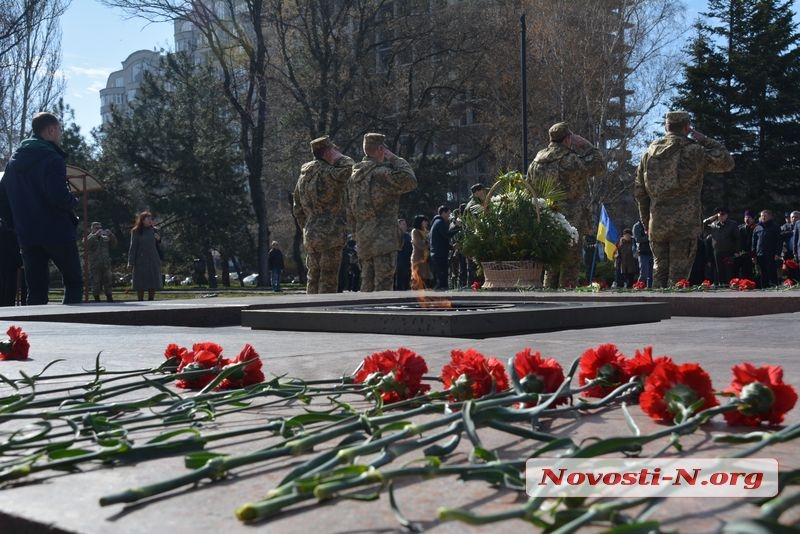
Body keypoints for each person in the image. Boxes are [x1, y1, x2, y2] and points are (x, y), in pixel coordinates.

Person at [634, 111, 734, 288]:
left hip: (657, 222)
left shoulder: (648, 153)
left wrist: (645, 222)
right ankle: (674, 312)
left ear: (666, 127)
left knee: (659, 271)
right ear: (687, 127)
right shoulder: (693, 150)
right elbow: (727, 161)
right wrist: (704, 139)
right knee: (678, 277)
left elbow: (640, 192)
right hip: (684, 223)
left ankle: (656, 309)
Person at [0, 112, 82, 304]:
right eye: (59, 130)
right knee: (73, 282)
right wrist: (73, 201)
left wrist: (15, 224)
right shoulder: (52, 158)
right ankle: (74, 330)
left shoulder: (13, 163)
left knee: (35, 289)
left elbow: (2, 200)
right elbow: (57, 195)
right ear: (51, 130)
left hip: (27, 234)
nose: (60, 135)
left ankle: (34, 333)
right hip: (57, 231)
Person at [528, 122, 605, 288]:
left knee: (551, 266)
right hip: (571, 220)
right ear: (568, 138)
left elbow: (529, 191)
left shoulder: (535, 162)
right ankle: (567, 303)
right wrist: (587, 145)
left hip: (546, 219)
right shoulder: (570, 160)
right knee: (570, 265)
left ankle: (547, 300)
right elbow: (599, 165)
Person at [346, 133, 417, 292]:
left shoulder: (354, 176)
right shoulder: (381, 173)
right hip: (383, 240)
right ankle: (381, 317)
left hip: (364, 239)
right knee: (383, 286)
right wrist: (394, 158)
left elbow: (349, 209)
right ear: (380, 149)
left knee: (367, 284)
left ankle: (364, 316)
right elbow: (410, 180)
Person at [293, 135, 354, 294]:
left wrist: (307, 227)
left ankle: (309, 313)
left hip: (312, 235)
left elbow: (297, 208)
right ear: (327, 152)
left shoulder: (303, 177)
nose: (336, 151)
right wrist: (340, 157)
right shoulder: (329, 173)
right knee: (328, 278)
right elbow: (351, 170)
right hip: (330, 235)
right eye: (333, 149)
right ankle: (324, 314)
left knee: (312, 277)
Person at [128, 211, 162, 301]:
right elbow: (133, 247)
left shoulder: (155, 230)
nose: (150, 220)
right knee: (140, 282)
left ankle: (151, 299)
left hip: (153, 259)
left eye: (151, 219)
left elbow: (158, 244)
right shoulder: (136, 231)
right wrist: (130, 262)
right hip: (140, 260)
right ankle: (140, 299)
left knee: (153, 281)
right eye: (148, 219)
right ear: (142, 220)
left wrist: (158, 239)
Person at [702, 207, 739, 286]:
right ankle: (721, 284)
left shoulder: (732, 224)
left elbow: (737, 239)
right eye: (719, 214)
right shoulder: (713, 224)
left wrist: (736, 251)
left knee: (729, 269)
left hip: (729, 250)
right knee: (719, 269)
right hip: (717, 251)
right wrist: (714, 217)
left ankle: (731, 284)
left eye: (723, 214)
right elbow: (703, 223)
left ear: (727, 215)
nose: (721, 216)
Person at [87, 221, 117, 302]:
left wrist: (111, 235)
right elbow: (86, 245)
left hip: (105, 263)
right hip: (95, 264)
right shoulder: (89, 237)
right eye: (97, 228)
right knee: (95, 282)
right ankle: (96, 298)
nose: (99, 230)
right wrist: (96, 235)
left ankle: (109, 297)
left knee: (108, 281)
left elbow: (114, 245)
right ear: (92, 229)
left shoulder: (105, 238)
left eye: (100, 228)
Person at [430, 205, 457, 290]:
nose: (449, 217)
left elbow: (441, 240)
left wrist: (451, 247)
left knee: (440, 277)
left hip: (437, 254)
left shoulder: (436, 222)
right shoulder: (440, 222)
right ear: (443, 213)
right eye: (448, 214)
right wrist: (458, 227)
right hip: (440, 255)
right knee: (442, 278)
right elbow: (446, 235)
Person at [752, 209, 781, 288]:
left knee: (772, 271)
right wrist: (753, 254)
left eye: (765, 216)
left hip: (771, 253)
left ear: (770, 216)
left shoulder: (775, 227)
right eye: (762, 216)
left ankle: (774, 286)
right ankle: (764, 287)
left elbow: (779, 241)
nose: (763, 217)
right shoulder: (757, 227)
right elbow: (754, 242)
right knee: (762, 272)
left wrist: (777, 253)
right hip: (760, 253)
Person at [410, 214, 431, 289]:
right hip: (417, 258)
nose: (426, 223)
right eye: (424, 221)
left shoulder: (426, 232)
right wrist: (427, 242)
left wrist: (426, 242)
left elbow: (428, 242)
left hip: (426, 258)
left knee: (425, 278)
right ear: (420, 222)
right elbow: (419, 243)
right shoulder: (415, 231)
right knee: (417, 277)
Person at [736, 210, 757, 279]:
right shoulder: (740, 228)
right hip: (742, 253)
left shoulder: (756, 228)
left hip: (753, 253)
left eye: (749, 217)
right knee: (743, 271)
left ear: (753, 219)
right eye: (745, 217)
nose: (747, 219)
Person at [632, 220, 652, 287]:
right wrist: (649, 237)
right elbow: (638, 239)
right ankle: (639, 287)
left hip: (652, 252)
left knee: (651, 274)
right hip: (643, 253)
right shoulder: (637, 226)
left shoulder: (651, 224)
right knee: (644, 273)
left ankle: (650, 287)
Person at [395, 218, 412, 290]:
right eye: (403, 224)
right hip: (399, 261)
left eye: (405, 224)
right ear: (398, 226)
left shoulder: (407, 235)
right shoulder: (396, 236)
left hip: (408, 260)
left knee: (407, 280)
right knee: (399, 280)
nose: (405, 226)